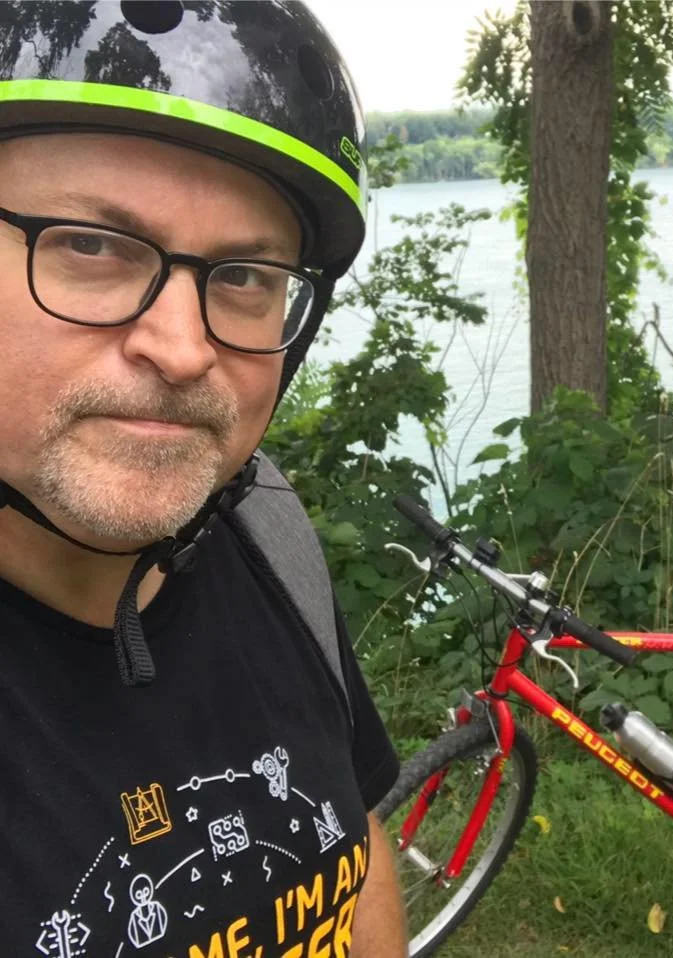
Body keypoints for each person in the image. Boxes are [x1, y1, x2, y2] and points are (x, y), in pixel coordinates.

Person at [0, 2, 406, 955]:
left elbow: (352, 844)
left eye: (244, 274)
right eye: (90, 245)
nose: (182, 350)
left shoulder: (263, 533)